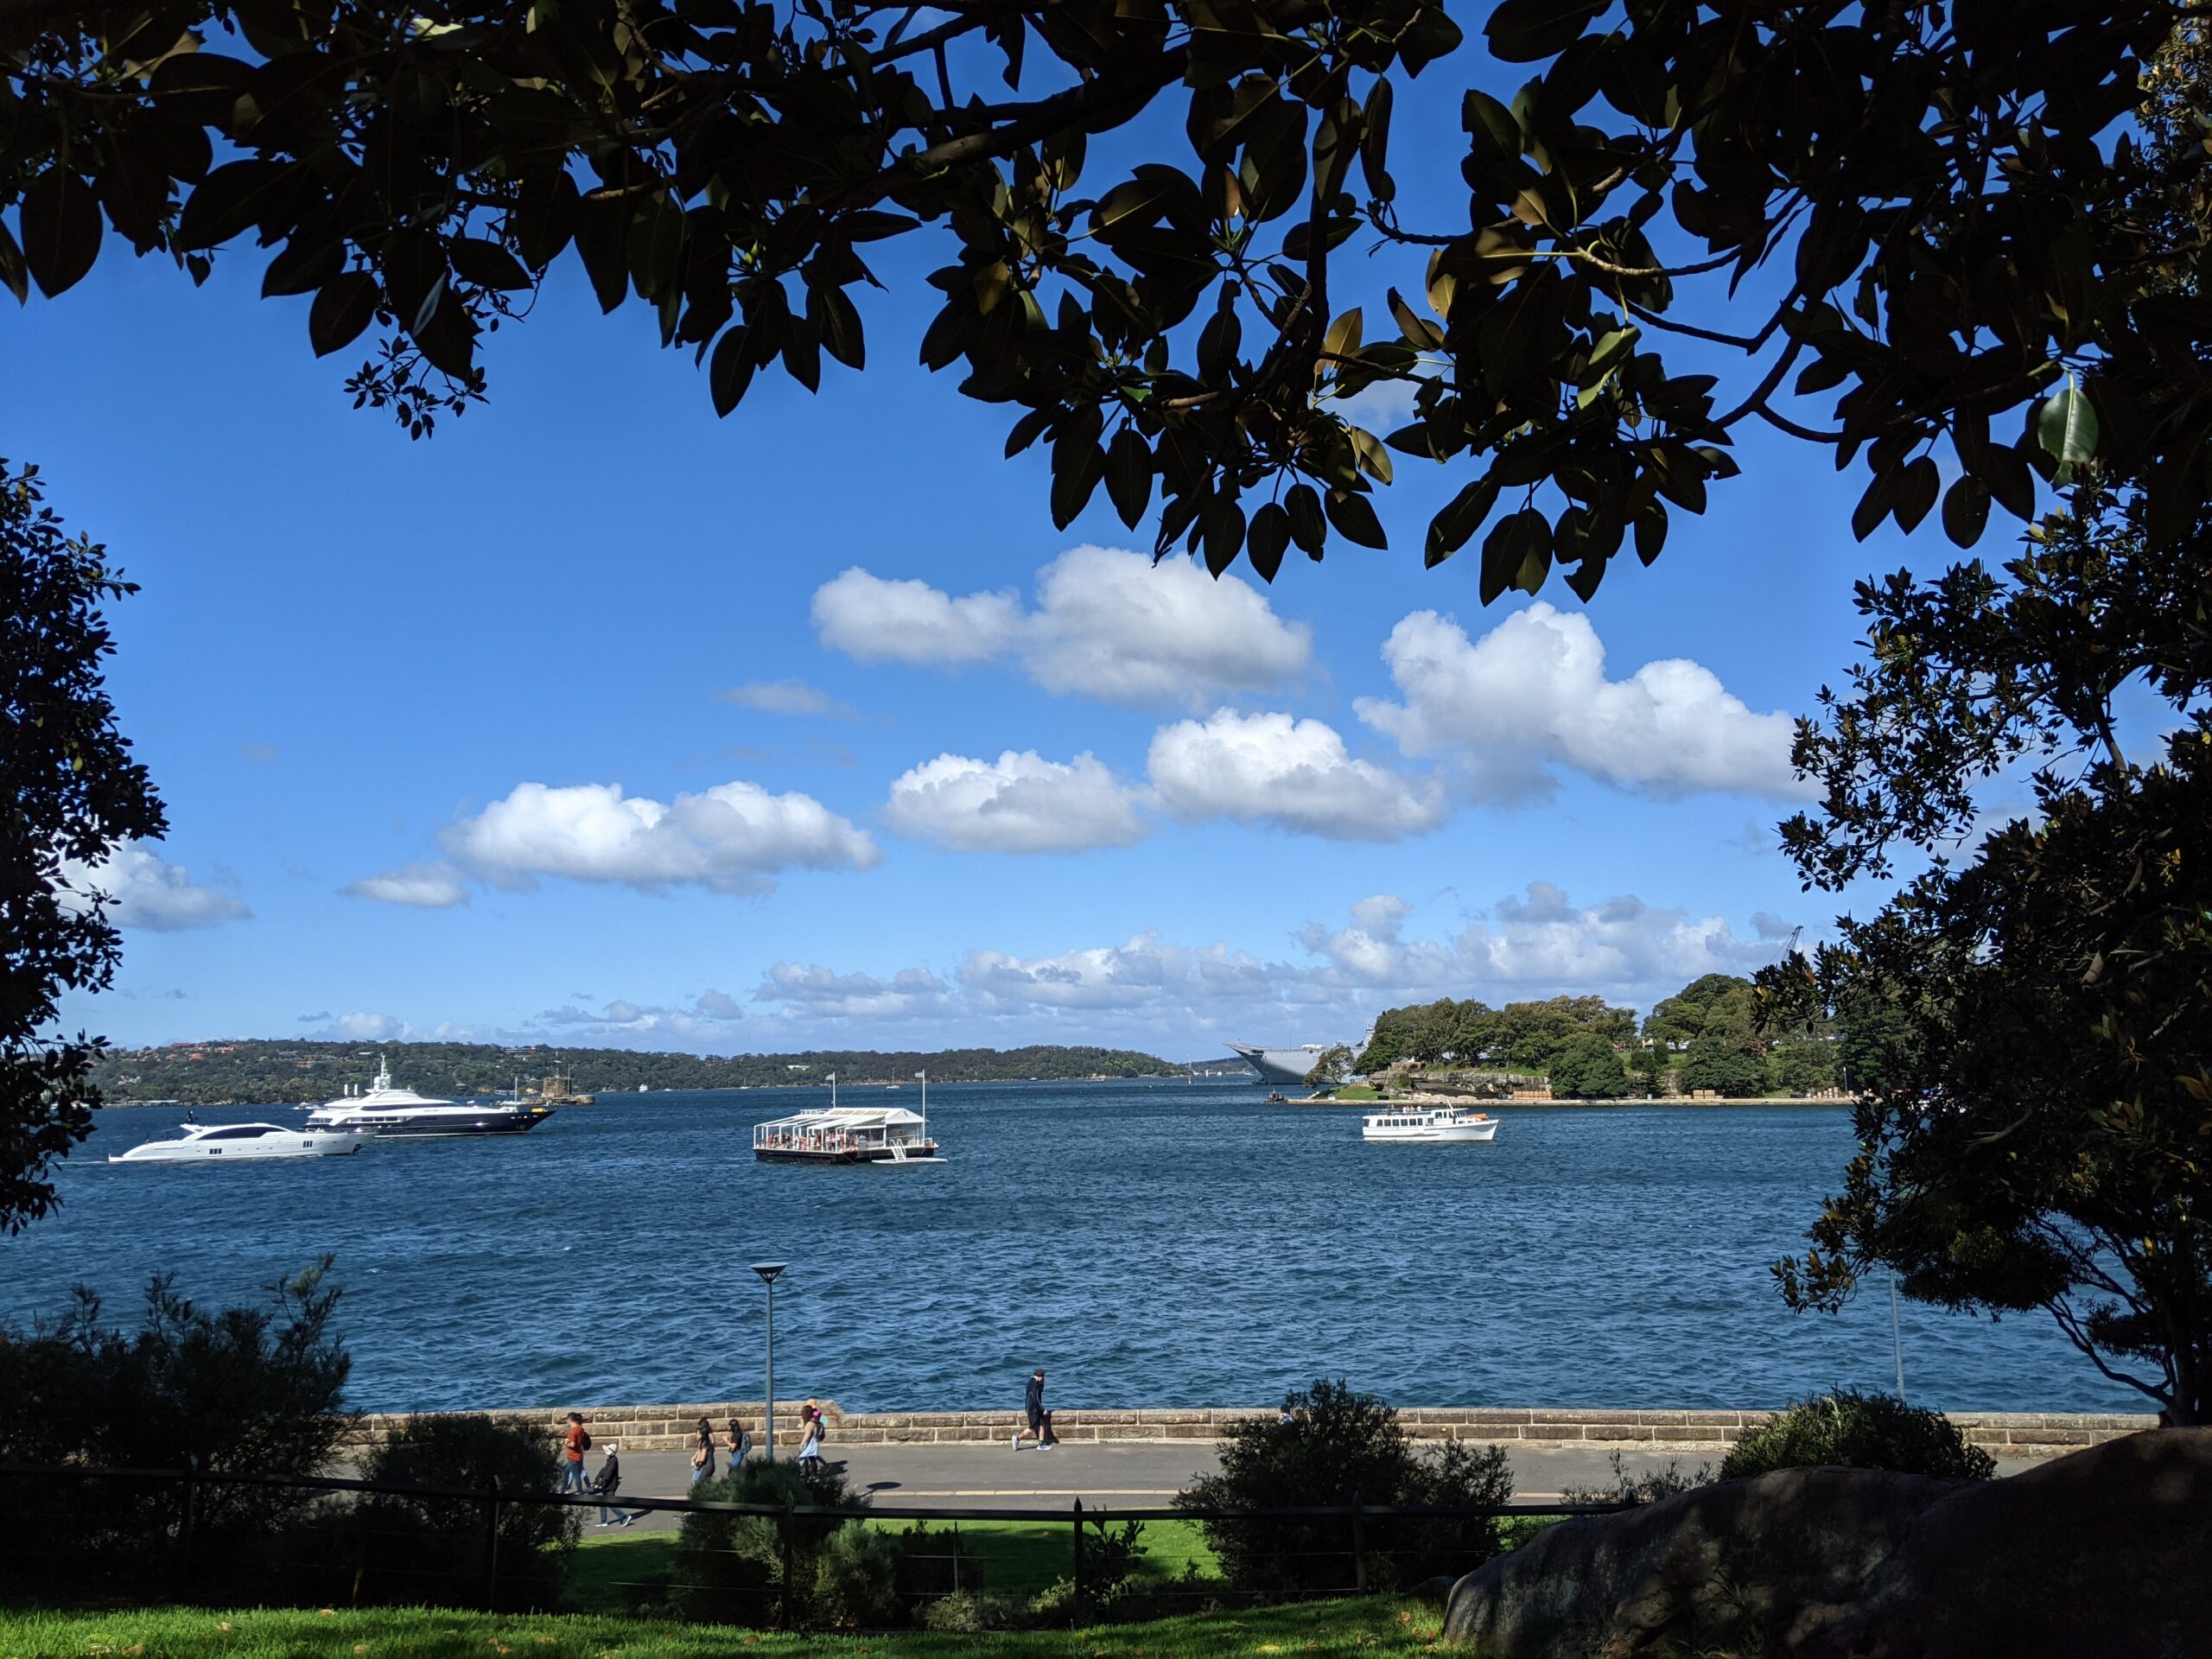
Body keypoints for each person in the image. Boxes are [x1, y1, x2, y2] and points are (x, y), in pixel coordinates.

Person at [591, 1441, 639, 1528]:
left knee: (610, 1503)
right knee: (603, 1502)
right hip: (608, 1485)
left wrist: (600, 1483)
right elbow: (604, 1470)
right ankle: (603, 1521)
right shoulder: (610, 1460)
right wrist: (598, 1478)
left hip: (611, 1486)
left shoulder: (613, 1461)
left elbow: (608, 1473)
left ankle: (624, 1517)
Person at [1012, 1368, 1047, 1451]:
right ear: (1040, 1376)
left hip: (1033, 1408)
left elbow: (1040, 1392)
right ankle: (1017, 1438)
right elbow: (1035, 1399)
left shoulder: (1033, 1382)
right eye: (1043, 1376)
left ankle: (1041, 1444)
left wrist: (1042, 1384)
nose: (1043, 1378)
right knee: (1033, 1427)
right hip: (1033, 1409)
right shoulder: (1034, 1385)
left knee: (1041, 1424)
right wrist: (1042, 1409)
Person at [560, 1412, 591, 1493]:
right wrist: (568, 1435)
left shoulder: (573, 1431)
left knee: (576, 1475)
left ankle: (579, 1491)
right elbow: (576, 1440)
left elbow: (573, 1444)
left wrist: (565, 1443)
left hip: (573, 1456)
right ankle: (563, 1490)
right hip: (579, 1454)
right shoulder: (580, 1429)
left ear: (570, 1420)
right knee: (566, 1471)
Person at [689, 1415, 716, 1486]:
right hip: (705, 1464)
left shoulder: (706, 1442)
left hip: (706, 1465)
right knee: (699, 1480)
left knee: (697, 1481)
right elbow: (699, 1450)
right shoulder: (703, 1441)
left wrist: (697, 1461)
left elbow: (703, 1456)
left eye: (698, 1432)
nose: (696, 1435)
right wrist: (695, 1457)